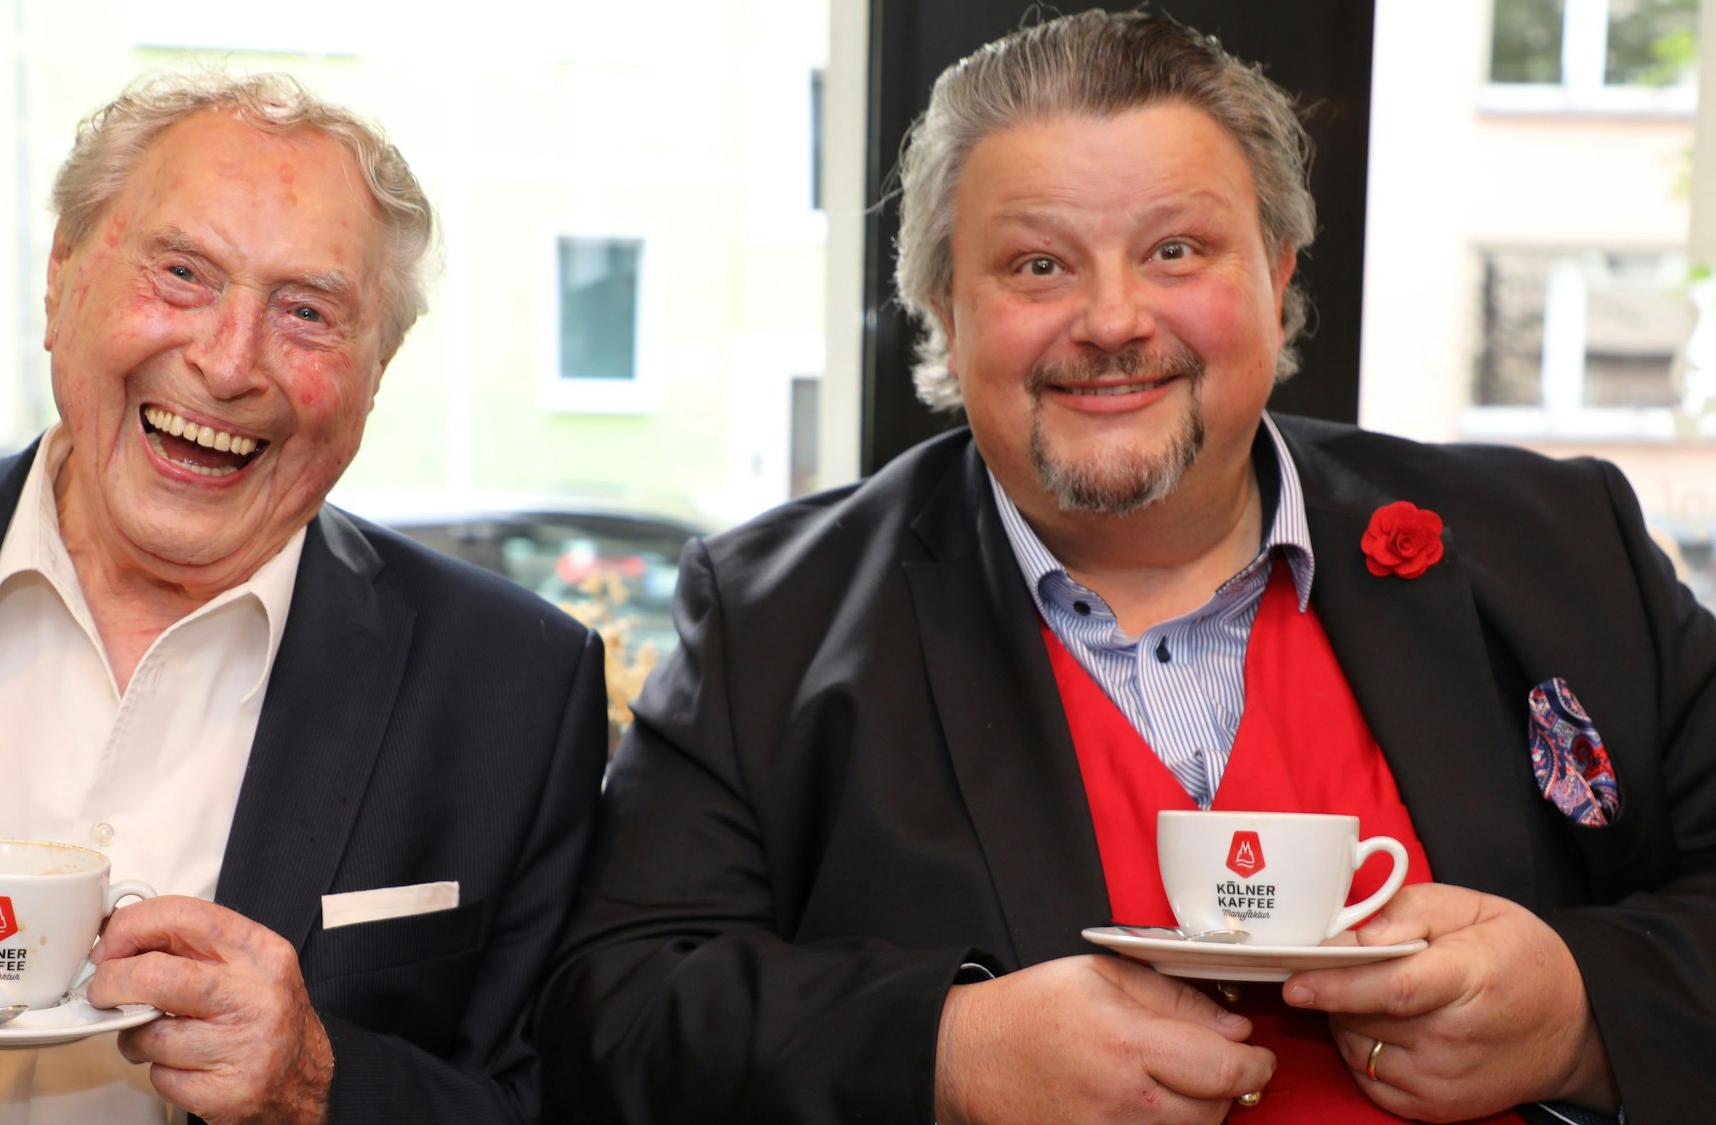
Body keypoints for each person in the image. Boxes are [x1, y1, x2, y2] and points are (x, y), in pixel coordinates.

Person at [535, 10, 1716, 1124]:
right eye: (1035, 266)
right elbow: (610, 1010)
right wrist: (948, 1054)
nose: (1110, 321)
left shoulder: (1562, 547)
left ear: (1277, 274)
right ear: (943, 306)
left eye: (1174, 249)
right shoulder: (772, 619)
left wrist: (1582, 1016)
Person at [0, 73, 606, 1124]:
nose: (228, 365)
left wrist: (318, 1086)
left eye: (307, 312)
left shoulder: (514, 690)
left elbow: (556, 1099)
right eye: (182, 274)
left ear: (378, 369)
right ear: (61, 278)